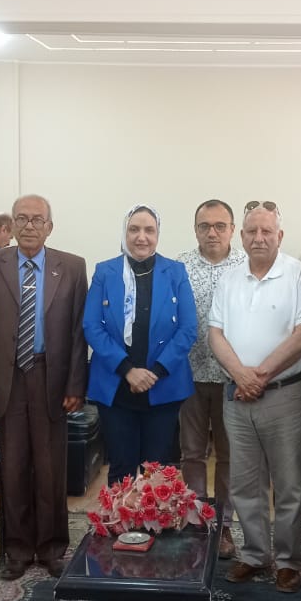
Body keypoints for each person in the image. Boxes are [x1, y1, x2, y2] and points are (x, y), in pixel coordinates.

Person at [208, 201, 301, 593]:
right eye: (252, 231)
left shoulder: (300, 276)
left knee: (289, 485)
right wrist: (241, 376)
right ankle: (255, 554)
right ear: (242, 236)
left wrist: (260, 376)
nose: (259, 238)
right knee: (244, 483)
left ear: (279, 235)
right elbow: (215, 334)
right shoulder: (230, 278)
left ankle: (289, 561)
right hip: (237, 396)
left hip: (284, 396)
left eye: (266, 231)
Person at [0, 195, 88, 579]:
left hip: (50, 376)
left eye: (37, 219)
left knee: (50, 468)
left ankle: (52, 547)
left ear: (50, 226)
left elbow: (78, 331)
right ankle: (17, 549)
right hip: (8, 378)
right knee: (13, 467)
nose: (29, 226)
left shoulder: (72, 267)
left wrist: (76, 383)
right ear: (10, 225)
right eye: (22, 219)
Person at [84, 204, 197, 484]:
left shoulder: (176, 272)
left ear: (158, 234)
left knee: (155, 472)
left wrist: (154, 372)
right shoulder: (105, 272)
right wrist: (128, 370)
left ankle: (153, 517)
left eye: (149, 230)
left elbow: (187, 329)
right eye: (134, 229)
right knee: (120, 469)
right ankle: (119, 515)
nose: (141, 237)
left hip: (163, 386)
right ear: (125, 233)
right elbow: (92, 326)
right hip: (116, 387)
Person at [177, 198, 247, 560]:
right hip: (188, 376)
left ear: (232, 230)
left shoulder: (247, 266)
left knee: (228, 456)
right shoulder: (179, 267)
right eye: (205, 226)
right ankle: (195, 521)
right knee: (191, 453)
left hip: (231, 378)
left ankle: (223, 525)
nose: (212, 233)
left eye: (220, 226)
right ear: (195, 230)